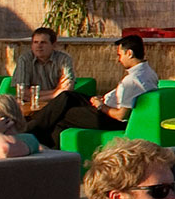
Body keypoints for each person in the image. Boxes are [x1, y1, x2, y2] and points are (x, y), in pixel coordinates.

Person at [25, 36, 159, 145]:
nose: (118, 60)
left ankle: (29, 133)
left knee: (62, 115)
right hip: (106, 106)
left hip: (109, 119)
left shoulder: (132, 81)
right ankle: (33, 128)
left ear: (129, 53)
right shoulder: (148, 72)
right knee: (67, 97)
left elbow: (121, 115)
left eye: (120, 55)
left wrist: (101, 106)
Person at [11, 27, 76, 104]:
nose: (39, 46)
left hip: (57, 103)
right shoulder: (25, 59)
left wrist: (35, 98)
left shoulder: (64, 59)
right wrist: (55, 92)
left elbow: (66, 90)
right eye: (35, 42)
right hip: (30, 104)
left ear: (53, 45)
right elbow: (22, 92)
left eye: (43, 42)